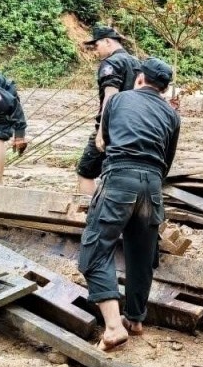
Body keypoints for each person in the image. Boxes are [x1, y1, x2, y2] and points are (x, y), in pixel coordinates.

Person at [78, 58, 180, 349]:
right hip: (152, 187)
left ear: (139, 79)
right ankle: (134, 319)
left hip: (119, 180)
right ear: (165, 88)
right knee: (142, 255)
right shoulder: (172, 116)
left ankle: (112, 327)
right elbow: (166, 162)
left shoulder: (118, 100)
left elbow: (105, 142)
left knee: (96, 249)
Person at [76, 26, 140, 194]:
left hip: (112, 127)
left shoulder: (112, 63)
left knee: (85, 171)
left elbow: (110, 97)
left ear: (107, 41)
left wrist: (102, 131)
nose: (95, 51)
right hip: (133, 128)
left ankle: (87, 213)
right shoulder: (137, 63)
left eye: (96, 46)